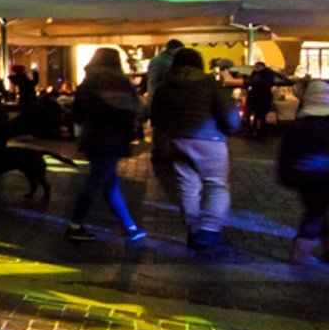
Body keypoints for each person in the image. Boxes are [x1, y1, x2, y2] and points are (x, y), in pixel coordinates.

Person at [150, 47, 240, 250]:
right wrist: (231, 128)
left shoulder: (165, 86)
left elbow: (156, 117)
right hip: (211, 140)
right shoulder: (210, 84)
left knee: (187, 186)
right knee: (216, 185)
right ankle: (209, 230)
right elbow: (229, 114)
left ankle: (193, 228)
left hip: (178, 140)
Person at [66, 48, 146, 243]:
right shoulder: (121, 83)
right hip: (112, 138)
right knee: (98, 183)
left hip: (93, 137)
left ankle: (130, 227)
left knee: (108, 183)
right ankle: (75, 225)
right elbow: (135, 110)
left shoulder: (87, 82)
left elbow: (77, 114)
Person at [277, 79, 329, 265]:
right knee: (316, 213)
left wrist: (284, 175)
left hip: (305, 175)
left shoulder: (297, 126)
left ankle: (316, 249)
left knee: (316, 210)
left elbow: (286, 153)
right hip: (325, 174)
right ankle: (300, 252)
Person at [241, 62, 288, 139]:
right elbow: (280, 77)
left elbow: (250, 81)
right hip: (264, 97)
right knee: (261, 116)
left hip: (257, 97)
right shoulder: (268, 72)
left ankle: (255, 131)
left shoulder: (257, 73)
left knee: (257, 115)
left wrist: (245, 81)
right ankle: (260, 131)